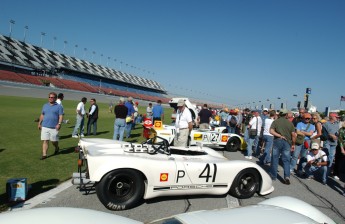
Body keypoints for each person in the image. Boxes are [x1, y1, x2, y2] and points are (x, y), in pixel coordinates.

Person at [269, 109, 296, 185]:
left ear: (279, 114)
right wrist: (293, 144)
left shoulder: (276, 122)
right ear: (286, 115)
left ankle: (273, 176)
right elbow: (293, 135)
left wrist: (280, 135)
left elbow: (271, 131)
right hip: (287, 142)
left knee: (275, 158)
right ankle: (287, 176)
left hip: (277, 140)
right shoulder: (290, 123)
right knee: (286, 160)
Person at [38, 92, 63, 160]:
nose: (50, 98)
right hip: (45, 126)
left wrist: (59, 124)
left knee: (53, 141)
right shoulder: (45, 105)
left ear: (55, 98)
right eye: (49, 97)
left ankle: (56, 147)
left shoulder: (59, 106)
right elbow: (42, 114)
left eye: (52, 97)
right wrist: (39, 123)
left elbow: (61, 116)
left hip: (54, 127)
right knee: (45, 140)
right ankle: (44, 154)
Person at [323, 112, 340, 176]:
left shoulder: (337, 124)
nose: (337, 118)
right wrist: (330, 135)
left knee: (331, 156)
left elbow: (338, 132)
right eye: (336, 117)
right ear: (332, 117)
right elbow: (324, 134)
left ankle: (328, 170)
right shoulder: (326, 124)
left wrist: (337, 136)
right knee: (326, 155)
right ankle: (324, 169)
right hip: (327, 141)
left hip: (334, 142)